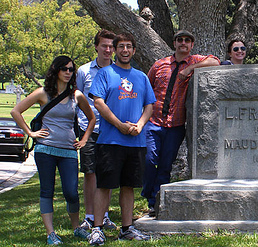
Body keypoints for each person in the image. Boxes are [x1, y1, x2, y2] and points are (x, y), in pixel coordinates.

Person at [11, 56, 96, 245]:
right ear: (56, 70)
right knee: (46, 190)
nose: (68, 72)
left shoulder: (77, 95)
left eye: (71, 69)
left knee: (71, 192)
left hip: (68, 151)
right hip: (45, 149)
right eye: (64, 69)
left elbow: (91, 119)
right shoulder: (43, 93)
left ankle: (76, 228)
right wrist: (31, 133)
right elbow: (16, 111)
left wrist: (83, 140)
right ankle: (51, 234)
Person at [87, 32, 156, 245]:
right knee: (104, 186)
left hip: (136, 142)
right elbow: (98, 102)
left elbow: (150, 105)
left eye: (129, 46)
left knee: (129, 186)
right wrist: (119, 125)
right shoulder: (105, 74)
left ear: (134, 51)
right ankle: (97, 229)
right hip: (110, 141)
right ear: (115, 50)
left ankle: (126, 229)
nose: (125, 50)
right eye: (121, 47)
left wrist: (141, 125)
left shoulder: (142, 77)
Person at [142, 30, 220, 217]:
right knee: (149, 160)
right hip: (154, 122)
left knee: (165, 165)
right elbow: (146, 88)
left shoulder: (195, 60)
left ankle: (155, 202)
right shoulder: (160, 64)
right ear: (174, 43)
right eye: (179, 40)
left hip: (176, 125)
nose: (183, 43)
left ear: (191, 45)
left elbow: (215, 61)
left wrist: (190, 69)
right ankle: (147, 193)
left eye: (187, 40)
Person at [76, 29, 117, 231]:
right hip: (89, 129)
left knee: (107, 174)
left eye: (111, 46)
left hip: (111, 130)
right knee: (90, 173)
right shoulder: (84, 71)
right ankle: (90, 216)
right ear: (96, 47)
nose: (108, 50)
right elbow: (77, 100)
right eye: (104, 46)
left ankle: (105, 215)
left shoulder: (118, 72)